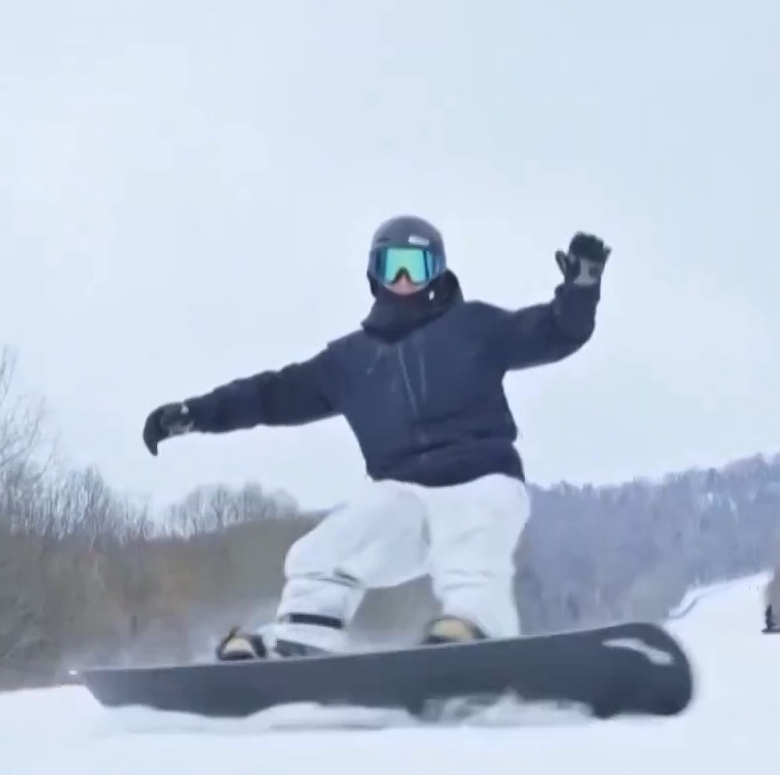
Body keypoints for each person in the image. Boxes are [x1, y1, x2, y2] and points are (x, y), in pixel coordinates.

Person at [142, 215, 610, 659]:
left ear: (438, 271)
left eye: (418, 265)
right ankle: (303, 637)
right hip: (401, 497)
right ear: (374, 274)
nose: (405, 278)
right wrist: (194, 414)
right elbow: (271, 395)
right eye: (393, 266)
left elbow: (552, 331)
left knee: (469, 552)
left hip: (482, 481)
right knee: (322, 554)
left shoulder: (475, 328)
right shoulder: (351, 360)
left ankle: (473, 629)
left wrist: (581, 290)